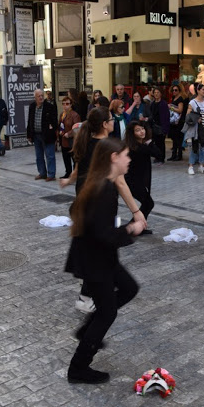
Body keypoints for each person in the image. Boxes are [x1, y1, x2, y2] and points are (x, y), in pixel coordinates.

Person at [65, 137, 143, 385]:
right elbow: (104, 234)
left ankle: (87, 329)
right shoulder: (104, 189)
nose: (129, 159)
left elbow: (78, 211)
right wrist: (132, 229)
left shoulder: (100, 183)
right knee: (107, 313)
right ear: (114, 158)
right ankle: (78, 368)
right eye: (126, 155)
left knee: (129, 288)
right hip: (95, 259)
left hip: (100, 256)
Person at [60, 107, 147, 314]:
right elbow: (120, 183)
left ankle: (90, 295)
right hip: (100, 201)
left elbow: (77, 169)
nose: (113, 122)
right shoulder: (106, 148)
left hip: (84, 200)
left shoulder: (85, 142)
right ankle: (88, 297)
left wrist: (68, 181)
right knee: (102, 250)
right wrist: (136, 212)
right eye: (110, 119)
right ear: (105, 124)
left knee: (95, 248)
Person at [124, 121, 160, 229]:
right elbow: (158, 154)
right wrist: (150, 142)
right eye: (138, 130)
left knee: (147, 203)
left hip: (137, 180)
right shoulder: (137, 147)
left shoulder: (138, 145)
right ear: (132, 133)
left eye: (142, 129)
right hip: (132, 181)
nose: (141, 132)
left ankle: (136, 226)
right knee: (148, 203)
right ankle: (133, 227)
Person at [27, 89, 58, 182]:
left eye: (42, 95)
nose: (41, 97)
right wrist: (29, 134)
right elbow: (30, 121)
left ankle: (51, 174)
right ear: (35, 97)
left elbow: (54, 121)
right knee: (39, 156)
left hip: (47, 135)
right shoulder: (32, 106)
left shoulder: (49, 107)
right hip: (36, 135)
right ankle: (42, 173)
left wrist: (52, 130)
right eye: (38, 96)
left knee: (50, 155)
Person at [186, 83, 204, 174]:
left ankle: (201, 164)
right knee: (194, 144)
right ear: (198, 90)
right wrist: (197, 118)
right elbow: (188, 115)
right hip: (196, 126)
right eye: (203, 89)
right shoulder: (192, 102)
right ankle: (191, 165)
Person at [58, 96, 81, 179]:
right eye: (63, 104)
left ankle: (75, 174)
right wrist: (60, 132)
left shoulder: (75, 115)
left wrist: (69, 133)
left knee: (74, 158)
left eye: (67, 104)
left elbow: (77, 127)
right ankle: (68, 172)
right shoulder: (62, 114)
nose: (65, 106)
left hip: (72, 141)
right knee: (66, 158)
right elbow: (60, 125)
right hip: (64, 140)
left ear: (71, 105)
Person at [149, 87, 169, 164]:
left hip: (161, 126)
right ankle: (157, 157)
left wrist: (165, 129)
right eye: (155, 92)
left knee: (161, 143)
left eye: (158, 92)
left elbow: (166, 117)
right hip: (154, 126)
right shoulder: (152, 103)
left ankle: (161, 158)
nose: (156, 94)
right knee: (155, 143)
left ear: (161, 94)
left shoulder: (163, 103)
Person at [167, 84, 187, 161]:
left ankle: (179, 155)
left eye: (176, 90)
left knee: (178, 139)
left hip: (179, 122)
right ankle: (174, 154)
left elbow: (180, 110)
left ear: (179, 91)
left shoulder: (180, 99)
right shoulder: (173, 98)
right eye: (173, 90)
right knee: (174, 139)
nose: (174, 92)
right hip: (173, 121)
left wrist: (171, 107)